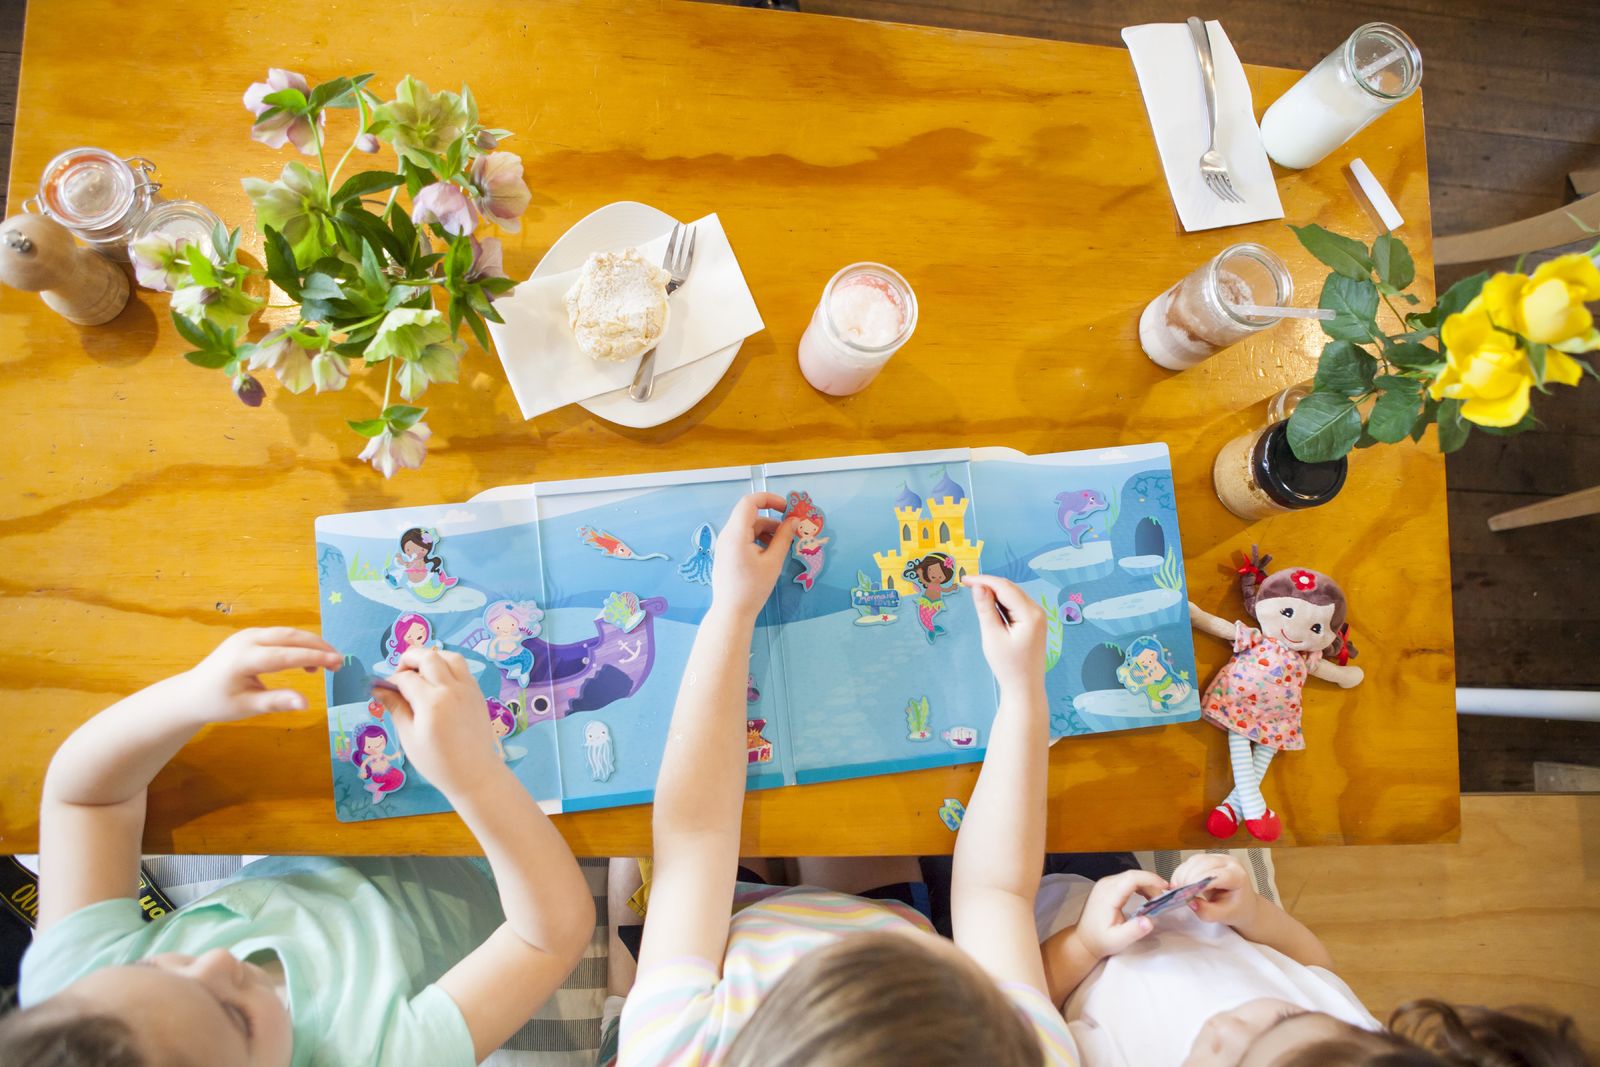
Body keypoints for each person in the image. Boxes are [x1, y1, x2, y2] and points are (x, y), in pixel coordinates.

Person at [617, 492, 1075, 1066]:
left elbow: (694, 840)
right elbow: (996, 895)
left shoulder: (672, 1048)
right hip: (884, 916)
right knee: (850, 823)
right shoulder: (1017, 1051)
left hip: (731, 928)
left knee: (637, 864)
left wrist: (731, 609)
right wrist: (1022, 694)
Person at [0, 627, 594, 1067]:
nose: (217, 961)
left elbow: (87, 803)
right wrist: (475, 774)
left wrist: (189, 697)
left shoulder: (75, 993)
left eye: (161, 964)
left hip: (332, 832)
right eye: (234, 1015)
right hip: (509, 875)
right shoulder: (377, 1055)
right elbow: (548, 934)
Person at [1039, 854, 1592, 1066]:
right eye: (1286, 1016)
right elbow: (1310, 964)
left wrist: (1086, 946)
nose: (1230, 1023)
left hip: (1030, 921)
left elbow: (1022, 998)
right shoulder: (1351, 1043)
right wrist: (1252, 911)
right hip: (1121, 880)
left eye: (1226, 1060)